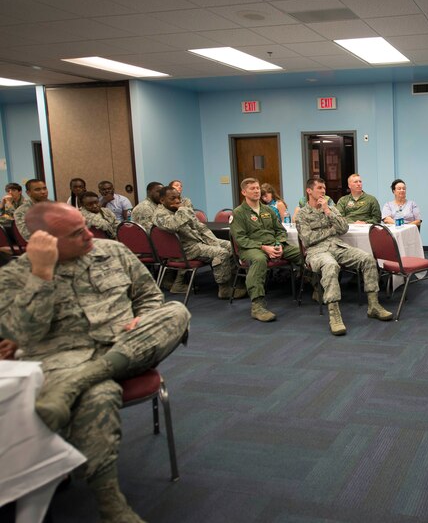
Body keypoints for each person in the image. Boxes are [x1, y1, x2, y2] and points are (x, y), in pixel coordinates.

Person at [0, 202, 190, 522]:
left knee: (177, 313)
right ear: (44, 240)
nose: (90, 234)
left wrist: (142, 317)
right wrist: (42, 275)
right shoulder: (16, 275)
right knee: (99, 395)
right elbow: (23, 334)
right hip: (62, 360)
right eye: (77, 233)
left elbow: (150, 297)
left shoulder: (113, 251)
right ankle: (109, 500)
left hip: (129, 346)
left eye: (85, 227)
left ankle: (80, 382)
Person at [297, 177, 393, 335]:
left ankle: (374, 305)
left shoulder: (330, 208)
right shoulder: (302, 214)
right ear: (309, 191)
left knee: (367, 258)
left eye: (324, 188)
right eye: (319, 188)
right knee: (330, 266)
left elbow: (344, 228)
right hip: (317, 251)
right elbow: (308, 239)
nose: (323, 191)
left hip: (338, 246)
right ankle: (334, 315)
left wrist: (328, 211)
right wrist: (330, 230)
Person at [229, 177, 301, 322]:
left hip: (273, 245)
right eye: (252, 189)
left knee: (301, 253)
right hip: (252, 248)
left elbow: (280, 231)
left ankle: (314, 287)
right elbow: (241, 239)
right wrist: (263, 247)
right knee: (259, 259)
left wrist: (279, 244)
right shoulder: (238, 213)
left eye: (257, 188)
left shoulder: (268, 210)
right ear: (244, 192)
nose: (256, 191)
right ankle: (257, 306)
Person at [154, 186, 245, 299]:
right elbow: (173, 225)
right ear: (162, 200)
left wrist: (214, 242)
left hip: (197, 242)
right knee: (221, 253)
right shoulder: (160, 214)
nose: (177, 201)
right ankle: (224, 289)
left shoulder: (181, 209)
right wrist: (182, 209)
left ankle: (234, 282)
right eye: (172, 198)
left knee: (231, 246)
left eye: (178, 197)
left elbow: (200, 227)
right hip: (185, 249)